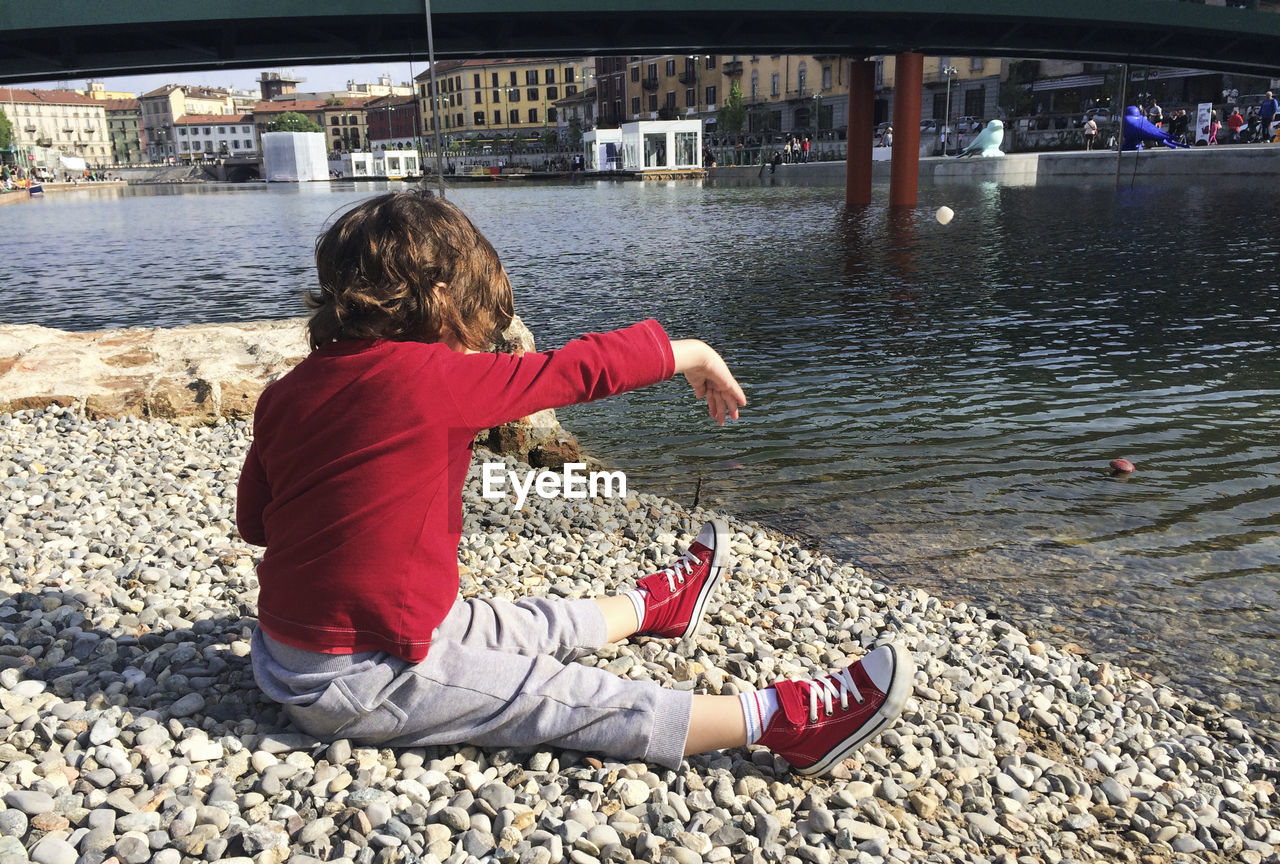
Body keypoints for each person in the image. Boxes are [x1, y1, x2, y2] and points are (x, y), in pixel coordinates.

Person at [238, 192, 913, 778]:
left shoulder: (285, 394)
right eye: (478, 324)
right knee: (557, 695)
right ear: (443, 301)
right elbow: (575, 372)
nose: (482, 345)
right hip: (359, 678)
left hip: (293, 647)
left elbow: (257, 525)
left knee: (508, 623)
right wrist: (691, 353)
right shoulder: (429, 380)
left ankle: (651, 611)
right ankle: (783, 721)